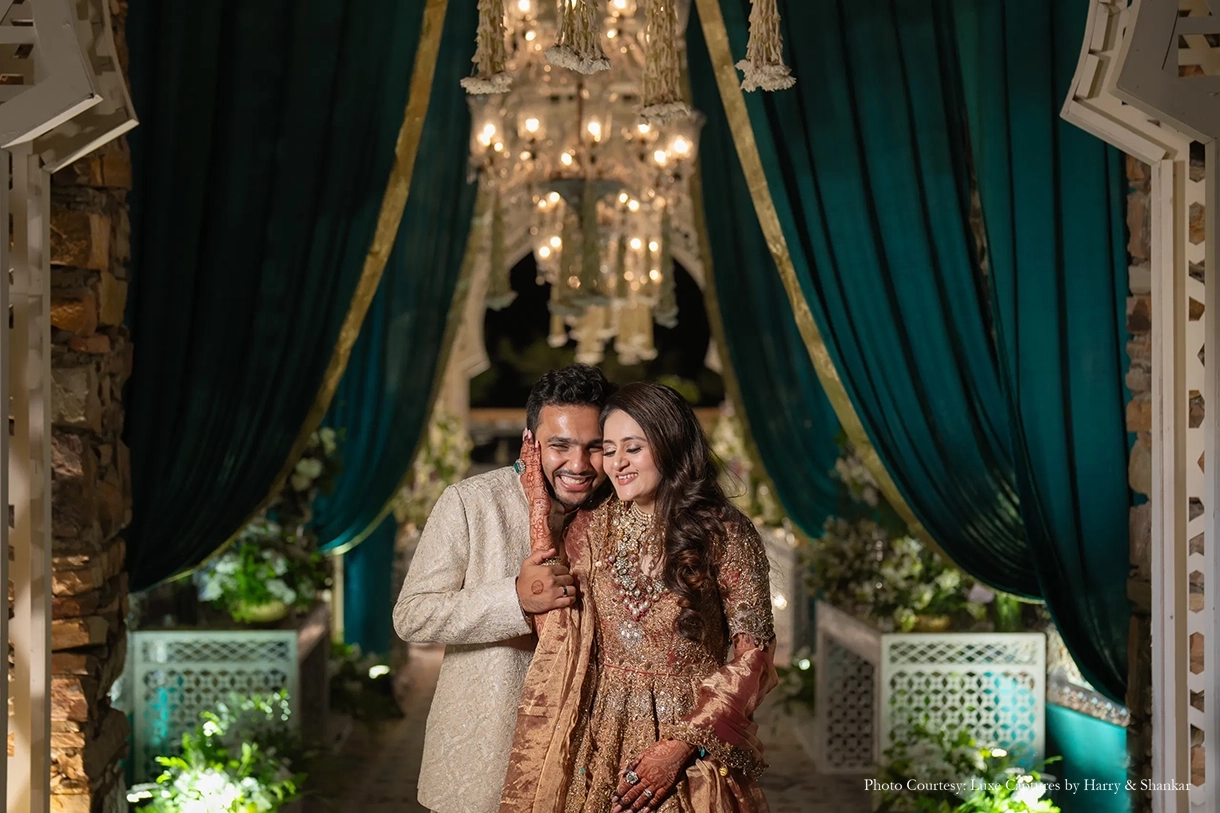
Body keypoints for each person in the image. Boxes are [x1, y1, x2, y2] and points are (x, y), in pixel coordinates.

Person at [500, 382, 778, 813]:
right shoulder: (590, 527)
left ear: (669, 445)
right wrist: (540, 511)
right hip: (599, 737)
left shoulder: (724, 532)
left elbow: (753, 654)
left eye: (633, 448)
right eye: (609, 450)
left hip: (689, 739)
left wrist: (681, 745)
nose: (617, 463)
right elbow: (559, 632)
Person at [393, 364, 615, 813]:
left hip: (589, 758)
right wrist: (512, 598)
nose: (578, 464)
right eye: (560, 445)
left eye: (595, 448)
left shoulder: (620, 510)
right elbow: (412, 616)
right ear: (529, 442)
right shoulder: (472, 502)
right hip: (485, 759)